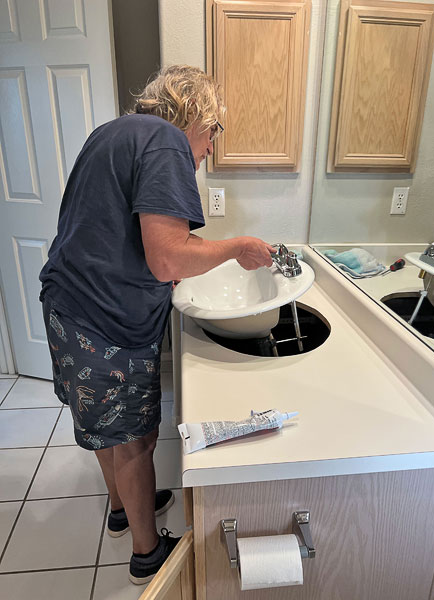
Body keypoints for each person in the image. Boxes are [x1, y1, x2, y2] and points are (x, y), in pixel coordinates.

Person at [39, 64, 274, 585]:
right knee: (136, 440)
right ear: (195, 114)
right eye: (213, 131)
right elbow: (168, 259)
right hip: (104, 322)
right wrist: (237, 247)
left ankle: (122, 510)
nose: (209, 146)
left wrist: (183, 260)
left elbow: (120, 231)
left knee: (108, 430)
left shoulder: (112, 133)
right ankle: (147, 554)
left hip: (67, 307)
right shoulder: (167, 142)